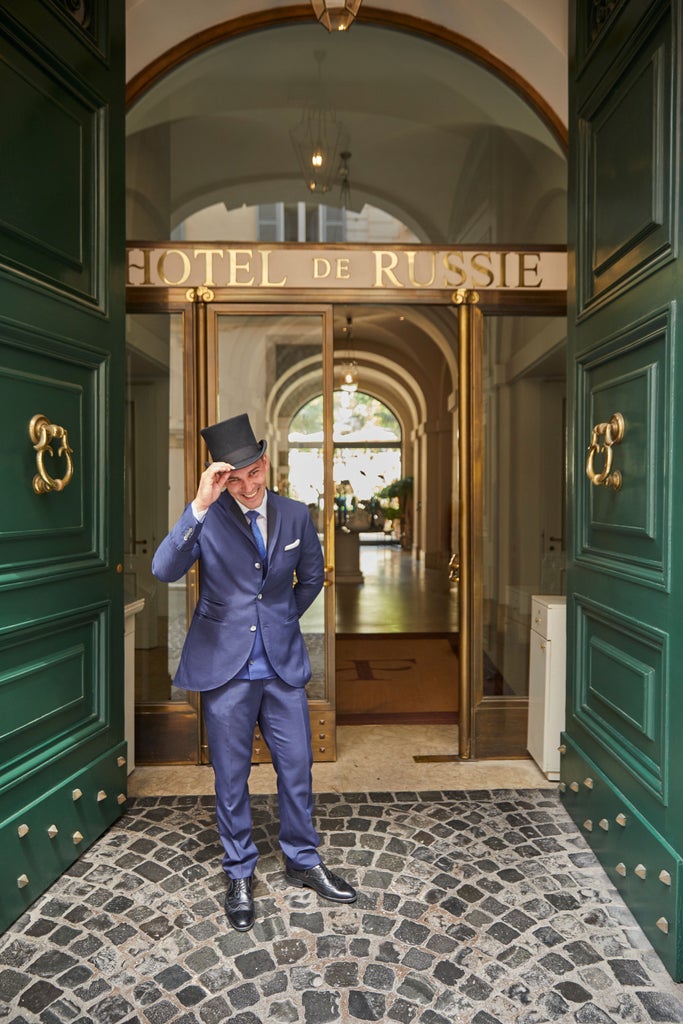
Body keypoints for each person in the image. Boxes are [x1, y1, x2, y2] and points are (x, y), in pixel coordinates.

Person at [152, 413, 357, 931]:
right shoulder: (209, 515)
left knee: (297, 767)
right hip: (226, 668)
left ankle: (302, 859)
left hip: (282, 666)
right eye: (232, 478)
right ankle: (240, 871)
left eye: (252, 473)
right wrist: (199, 503)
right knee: (231, 775)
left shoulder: (294, 514)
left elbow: (310, 578)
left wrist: (281, 616)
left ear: (264, 463)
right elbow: (163, 569)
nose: (245, 487)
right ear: (218, 476)